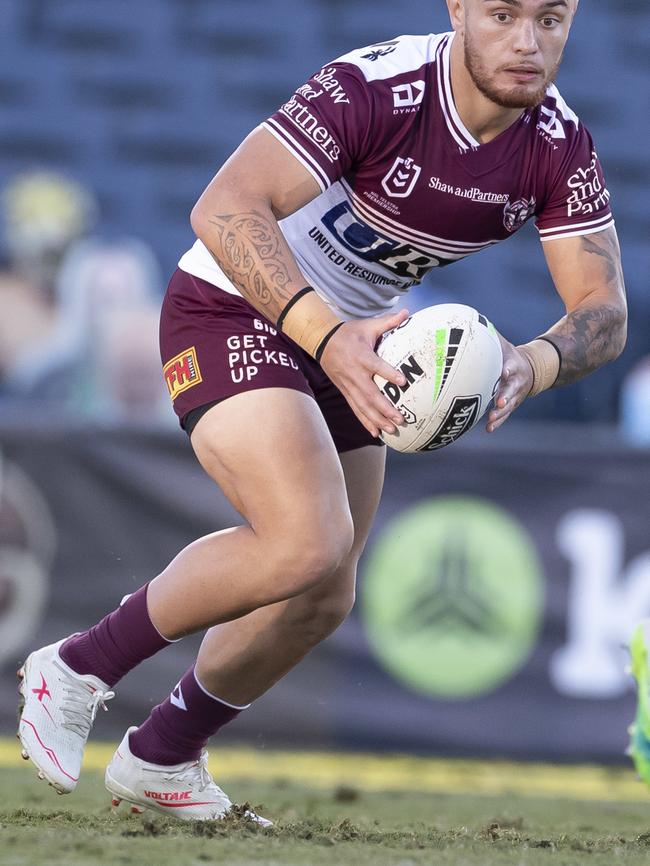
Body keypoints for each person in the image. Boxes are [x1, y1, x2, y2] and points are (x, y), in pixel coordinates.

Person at [18, 0, 627, 822]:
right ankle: (77, 667)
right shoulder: (379, 86)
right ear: (458, 10)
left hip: (356, 345)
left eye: (550, 19)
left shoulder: (557, 143)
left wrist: (533, 361)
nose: (526, 42)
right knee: (304, 540)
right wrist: (326, 333)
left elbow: (604, 310)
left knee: (323, 594)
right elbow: (224, 208)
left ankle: (163, 756)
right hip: (233, 307)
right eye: (503, 14)